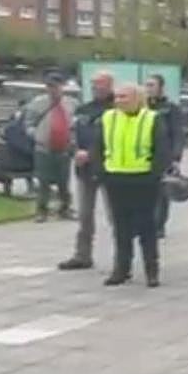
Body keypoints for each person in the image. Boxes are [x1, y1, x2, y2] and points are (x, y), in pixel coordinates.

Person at [93, 83, 170, 288]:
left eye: (124, 97)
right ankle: (121, 269)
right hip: (115, 178)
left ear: (137, 98)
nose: (119, 101)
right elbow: (98, 147)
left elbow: (161, 149)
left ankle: (151, 271)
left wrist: (154, 174)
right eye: (117, 97)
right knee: (121, 228)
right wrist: (101, 172)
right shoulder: (108, 118)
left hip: (143, 179)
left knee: (147, 228)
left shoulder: (151, 118)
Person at [58, 71, 114, 271]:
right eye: (93, 84)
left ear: (110, 85)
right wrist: (75, 151)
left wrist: (91, 153)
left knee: (114, 215)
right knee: (84, 215)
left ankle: (121, 256)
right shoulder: (83, 109)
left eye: (100, 84)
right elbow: (72, 133)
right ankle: (82, 255)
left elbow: (112, 138)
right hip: (84, 169)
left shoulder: (115, 110)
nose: (96, 87)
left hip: (108, 168)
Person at [23, 71, 76, 222]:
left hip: (64, 149)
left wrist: (73, 140)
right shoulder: (38, 103)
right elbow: (28, 124)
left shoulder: (71, 103)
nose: (53, 89)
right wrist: (37, 136)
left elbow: (74, 124)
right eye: (49, 86)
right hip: (43, 149)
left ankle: (65, 208)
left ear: (62, 86)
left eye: (56, 86)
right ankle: (42, 211)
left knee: (63, 181)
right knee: (43, 181)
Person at [145, 74, 187, 239]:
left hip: (164, 156)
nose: (148, 89)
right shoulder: (143, 108)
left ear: (161, 88)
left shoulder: (170, 109)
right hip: (145, 156)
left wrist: (176, 157)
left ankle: (159, 225)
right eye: (147, 85)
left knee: (162, 193)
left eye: (152, 85)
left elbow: (178, 133)